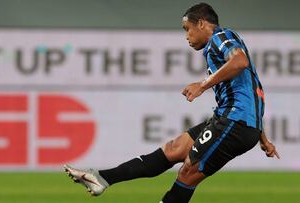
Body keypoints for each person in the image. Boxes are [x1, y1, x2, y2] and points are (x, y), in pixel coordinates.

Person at [64, 3, 280, 203]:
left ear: (202, 23)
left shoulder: (220, 36)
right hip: (234, 120)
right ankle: (102, 178)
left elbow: (240, 62)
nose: (187, 36)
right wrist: (263, 137)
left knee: (188, 173)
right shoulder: (220, 47)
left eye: (187, 28)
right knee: (174, 149)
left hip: (235, 122)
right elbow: (251, 89)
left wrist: (203, 85)